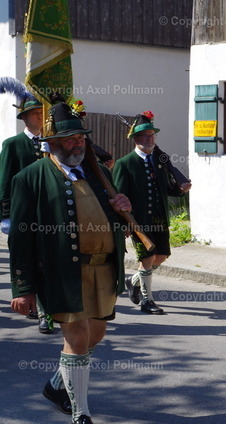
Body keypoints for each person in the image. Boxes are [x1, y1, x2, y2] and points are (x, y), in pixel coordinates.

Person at [10, 100, 131, 424]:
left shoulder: (99, 174)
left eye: (80, 138)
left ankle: (56, 386)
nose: (78, 143)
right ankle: (81, 412)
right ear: (52, 143)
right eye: (70, 139)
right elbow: (20, 238)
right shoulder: (30, 178)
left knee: (96, 335)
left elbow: (116, 224)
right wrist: (23, 288)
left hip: (103, 269)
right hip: (61, 273)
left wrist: (122, 208)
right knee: (77, 338)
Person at [113, 111, 191, 314]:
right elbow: (119, 197)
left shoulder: (159, 161)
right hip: (139, 220)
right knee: (147, 258)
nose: (149, 140)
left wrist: (180, 189)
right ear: (135, 139)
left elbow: (167, 188)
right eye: (144, 136)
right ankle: (147, 300)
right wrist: (124, 224)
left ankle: (134, 280)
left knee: (162, 255)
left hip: (160, 218)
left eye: (151, 136)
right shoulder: (125, 163)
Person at [0, 96, 57, 334]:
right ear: (24, 117)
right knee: (27, 260)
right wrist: (6, 214)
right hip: (23, 214)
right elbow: (5, 180)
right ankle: (32, 301)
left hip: (49, 214)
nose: (41, 117)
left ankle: (46, 312)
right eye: (35, 113)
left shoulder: (52, 142)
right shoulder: (13, 144)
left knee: (48, 261)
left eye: (43, 113)